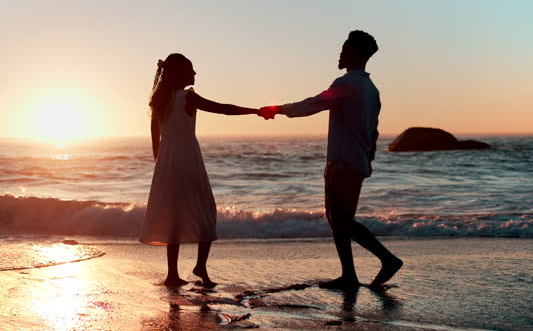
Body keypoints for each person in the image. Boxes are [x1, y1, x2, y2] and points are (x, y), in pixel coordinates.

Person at [260, 30, 402, 290]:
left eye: (345, 48)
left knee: (341, 220)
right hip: (355, 163)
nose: (340, 52)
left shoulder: (347, 84)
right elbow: (374, 132)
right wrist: (367, 160)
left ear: (356, 53)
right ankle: (350, 274)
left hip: (342, 163)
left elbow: (312, 104)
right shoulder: (371, 89)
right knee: (339, 219)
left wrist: (277, 109)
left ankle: (386, 260)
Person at [140, 53, 259, 287]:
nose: (195, 74)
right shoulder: (187, 97)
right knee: (206, 212)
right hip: (188, 161)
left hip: (167, 165)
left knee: (174, 217)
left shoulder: (159, 101)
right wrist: (255, 111)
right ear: (180, 74)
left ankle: (172, 274)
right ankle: (200, 267)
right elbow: (222, 109)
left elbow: (155, 139)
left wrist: (161, 164)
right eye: (191, 70)